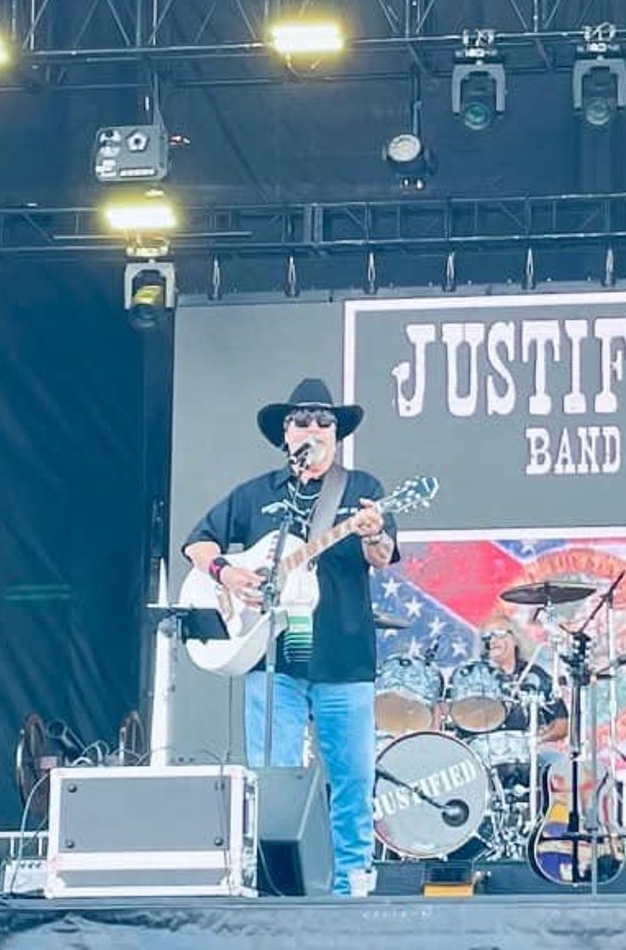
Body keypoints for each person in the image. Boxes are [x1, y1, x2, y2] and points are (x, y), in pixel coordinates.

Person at [182, 379, 397, 898]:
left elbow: (382, 557)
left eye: (326, 422)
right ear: (286, 431)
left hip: (343, 656)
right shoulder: (257, 493)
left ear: (337, 434)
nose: (315, 429)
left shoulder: (360, 486)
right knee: (272, 777)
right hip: (271, 654)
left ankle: (351, 885)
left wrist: (371, 531)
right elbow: (197, 542)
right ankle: (278, 885)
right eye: (304, 420)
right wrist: (226, 573)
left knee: (350, 779)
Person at [478, 618, 568, 743]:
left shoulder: (535, 676)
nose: (492, 640)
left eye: (499, 634)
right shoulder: (473, 676)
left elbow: (562, 724)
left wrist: (535, 742)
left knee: (558, 759)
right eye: (487, 636)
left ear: (515, 639)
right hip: (481, 751)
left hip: (525, 753)